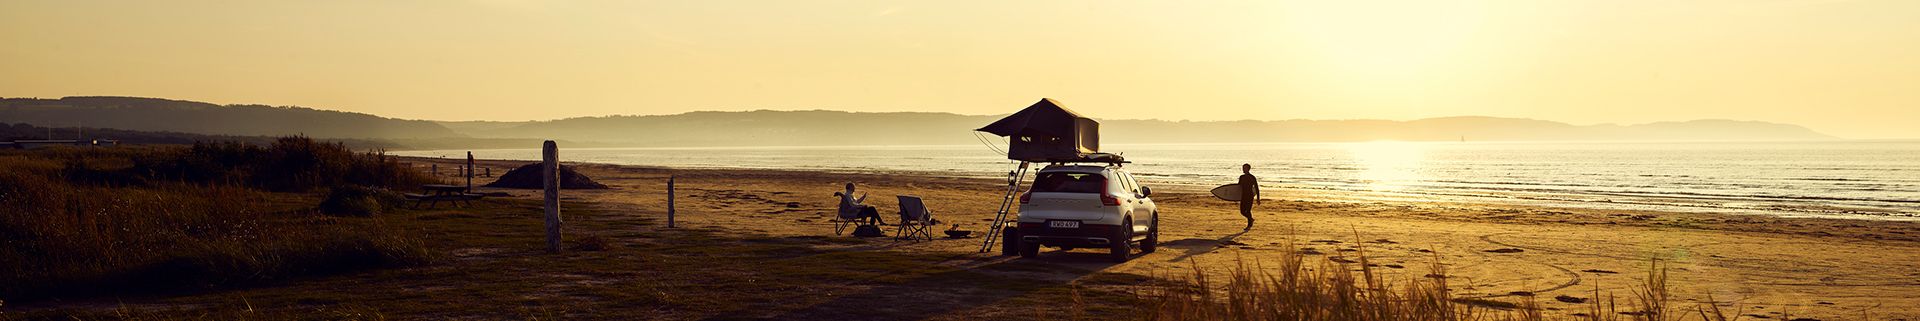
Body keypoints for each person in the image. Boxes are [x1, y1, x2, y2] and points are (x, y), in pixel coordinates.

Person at [1238, 164, 1260, 231]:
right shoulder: (1241, 177)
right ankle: (1251, 219)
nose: (1243, 169)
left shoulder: (1252, 177)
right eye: (1243, 168)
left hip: (1250, 196)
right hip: (1243, 196)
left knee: (1248, 211)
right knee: (1242, 212)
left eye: (1244, 168)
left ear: (1248, 169)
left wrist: (1258, 198)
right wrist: (1235, 196)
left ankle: (1249, 224)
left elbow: (1256, 188)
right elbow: (1238, 187)